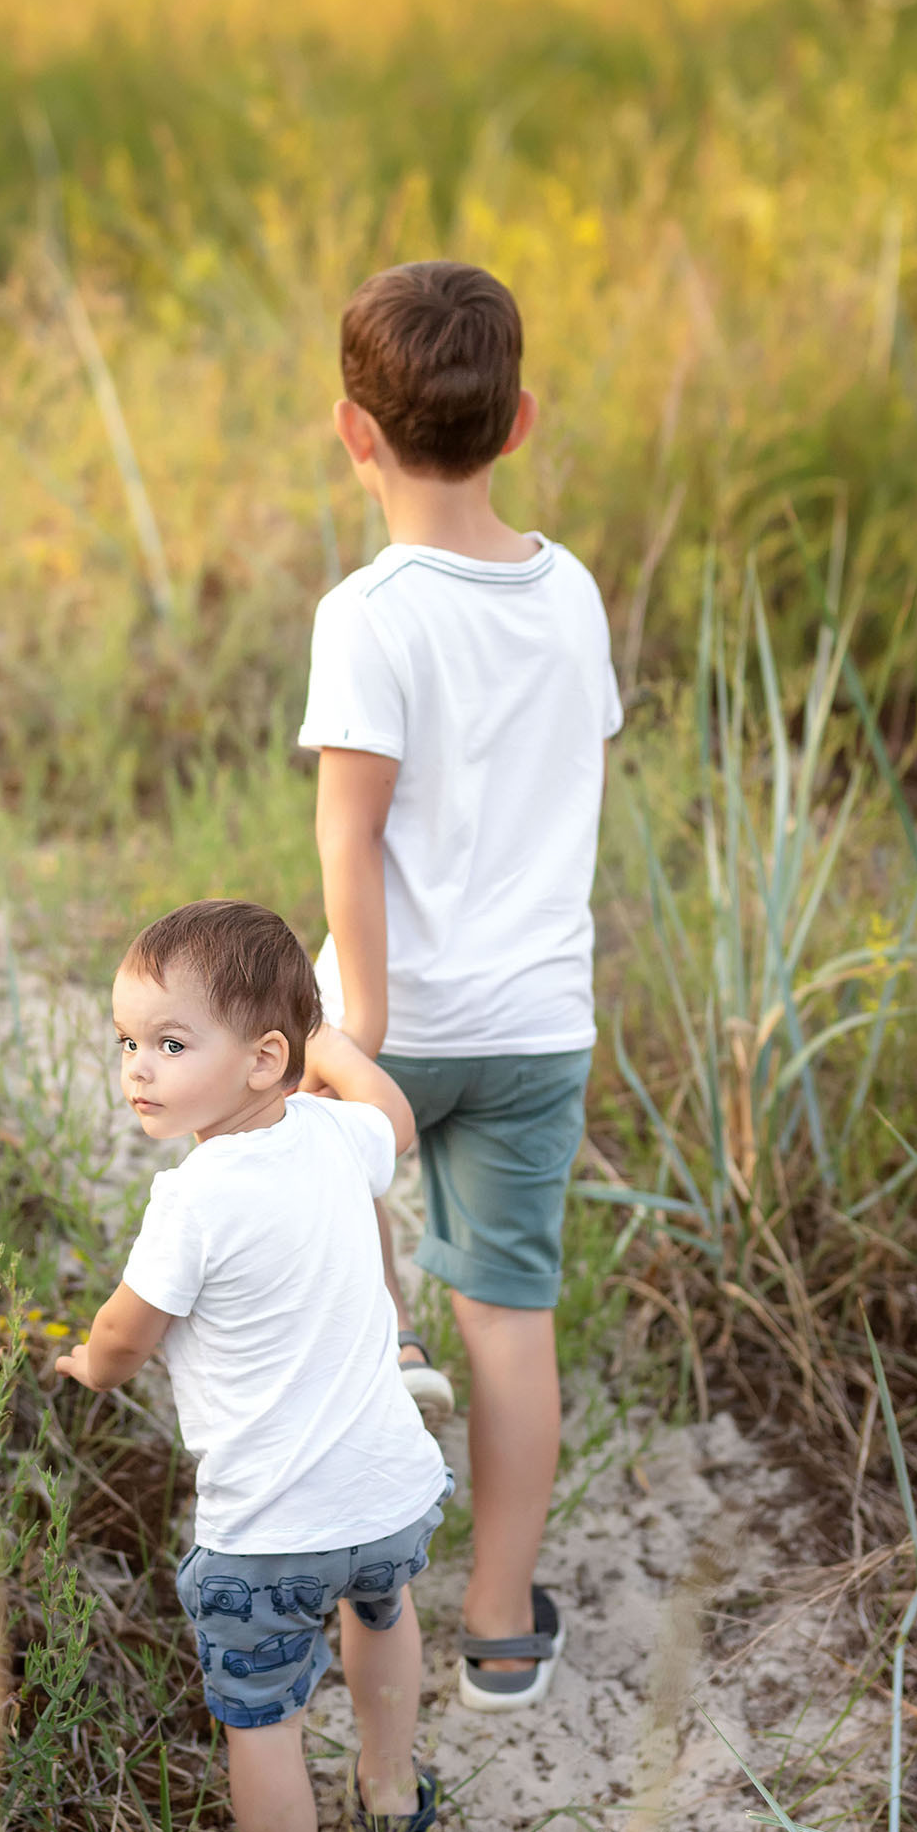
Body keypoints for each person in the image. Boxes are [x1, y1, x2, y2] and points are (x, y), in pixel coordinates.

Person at [301, 259, 622, 1713]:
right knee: (515, 1314)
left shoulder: (368, 611)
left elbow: (350, 830)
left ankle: (379, 1369)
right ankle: (501, 1628)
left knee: (316, 1214)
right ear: (521, 422)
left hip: (398, 1021)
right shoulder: (571, 595)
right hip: (537, 1023)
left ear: (352, 432)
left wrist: (354, 1028)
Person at [55, 897, 449, 1832]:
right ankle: (385, 1793)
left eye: (171, 1045)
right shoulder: (333, 1137)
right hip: (386, 1499)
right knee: (382, 1610)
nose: (137, 1069)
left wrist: (86, 1365)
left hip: (267, 1535)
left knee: (261, 1720)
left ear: (260, 1058)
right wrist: (328, 1042)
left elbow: (129, 1338)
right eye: (126, 1043)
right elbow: (395, 1115)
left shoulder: (190, 1201)